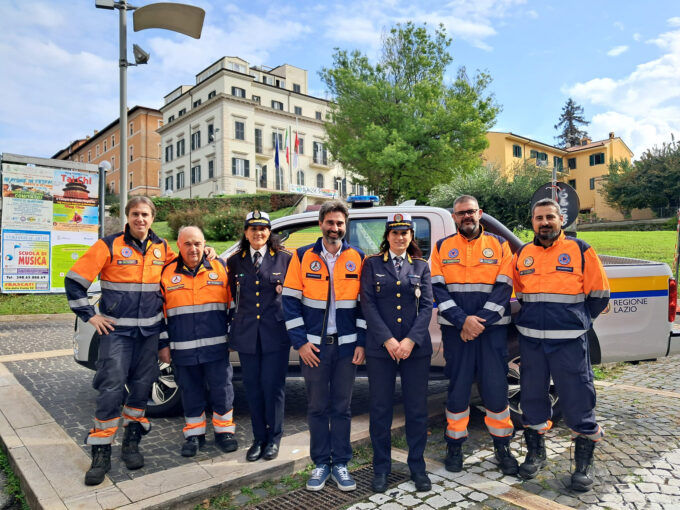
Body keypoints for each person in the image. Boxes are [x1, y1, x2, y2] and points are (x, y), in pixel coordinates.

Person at [65, 197, 176, 485]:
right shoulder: (109, 245)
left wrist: (209, 253)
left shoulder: (162, 248)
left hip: (148, 335)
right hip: (117, 335)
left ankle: (131, 443)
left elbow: (187, 264)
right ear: (128, 216)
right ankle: (101, 453)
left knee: (140, 391)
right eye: (135, 214)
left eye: (146, 214)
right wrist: (90, 315)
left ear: (153, 218)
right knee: (111, 390)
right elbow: (75, 280)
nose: (141, 219)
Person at [512, 198, 609, 491]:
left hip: (568, 344)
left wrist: (576, 321)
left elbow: (600, 294)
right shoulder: (523, 253)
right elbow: (520, 294)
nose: (544, 223)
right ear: (532, 222)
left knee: (578, 399)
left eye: (550, 217)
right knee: (531, 399)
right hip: (531, 344)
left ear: (560, 219)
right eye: (539, 218)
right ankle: (536, 453)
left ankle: (583, 464)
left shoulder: (580, 250)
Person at [430, 195, 518, 475]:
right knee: (457, 391)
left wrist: (479, 322)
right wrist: (461, 321)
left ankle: (503, 447)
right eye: (460, 213)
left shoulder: (500, 245)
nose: (466, 217)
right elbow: (437, 288)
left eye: (470, 212)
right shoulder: (442, 247)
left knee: (495, 390)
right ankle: (454, 447)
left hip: (491, 332)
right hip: (457, 333)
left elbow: (505, 287)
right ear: (454, 218)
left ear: (480, 213)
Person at [282, 200, 366, 492]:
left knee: (342, 408)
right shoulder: (302, 256)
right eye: (330, 222)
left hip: (345, 349)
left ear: (346, 226)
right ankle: (320, 463)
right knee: (317, 407)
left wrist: (361, 343)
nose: (335, 228)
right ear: (321, 224)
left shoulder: (358, 257)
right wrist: (301, 343)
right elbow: (290, 303)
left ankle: (341, 463)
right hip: (314, 349)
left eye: (340, 223)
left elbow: (363, 307)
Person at [360, 213, 433, 493]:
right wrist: (389, 340)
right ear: (387, 236)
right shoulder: (372, 264)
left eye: (405, 233)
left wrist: (410, 341)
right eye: (395, 233)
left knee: (416, 411)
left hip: (415, 350)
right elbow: (368, 305)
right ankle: (381, 468)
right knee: (380, 411)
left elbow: (427, 307)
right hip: (382, 350)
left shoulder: (422, 266)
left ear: (411, 236)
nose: (400, 237)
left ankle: (418, 467)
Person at [159, 226, 237, 457]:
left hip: (216, 347)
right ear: (178, 246)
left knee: (222, 390)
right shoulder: (166, 272)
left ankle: (225, 432)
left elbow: (233, 306)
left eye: (198, 244)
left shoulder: (221, 268)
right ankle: (194, 434)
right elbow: (159, 312)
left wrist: (232, 336)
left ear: (204, 245)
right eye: (188, 244)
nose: (193, 249)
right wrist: (163, 344)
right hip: (182, 349)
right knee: (190, 391)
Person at [226, 211, 292, 462]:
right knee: (253, 388)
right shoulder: (235, 261)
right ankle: (258, 439)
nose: (258, 233)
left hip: (275, 334)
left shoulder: (285, 259)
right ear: (245, 232)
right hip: (247, 335)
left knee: (273, 388)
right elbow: (231, 296)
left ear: (270, 232)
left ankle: (274, 439)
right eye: (253, 228)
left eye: (263, 228)